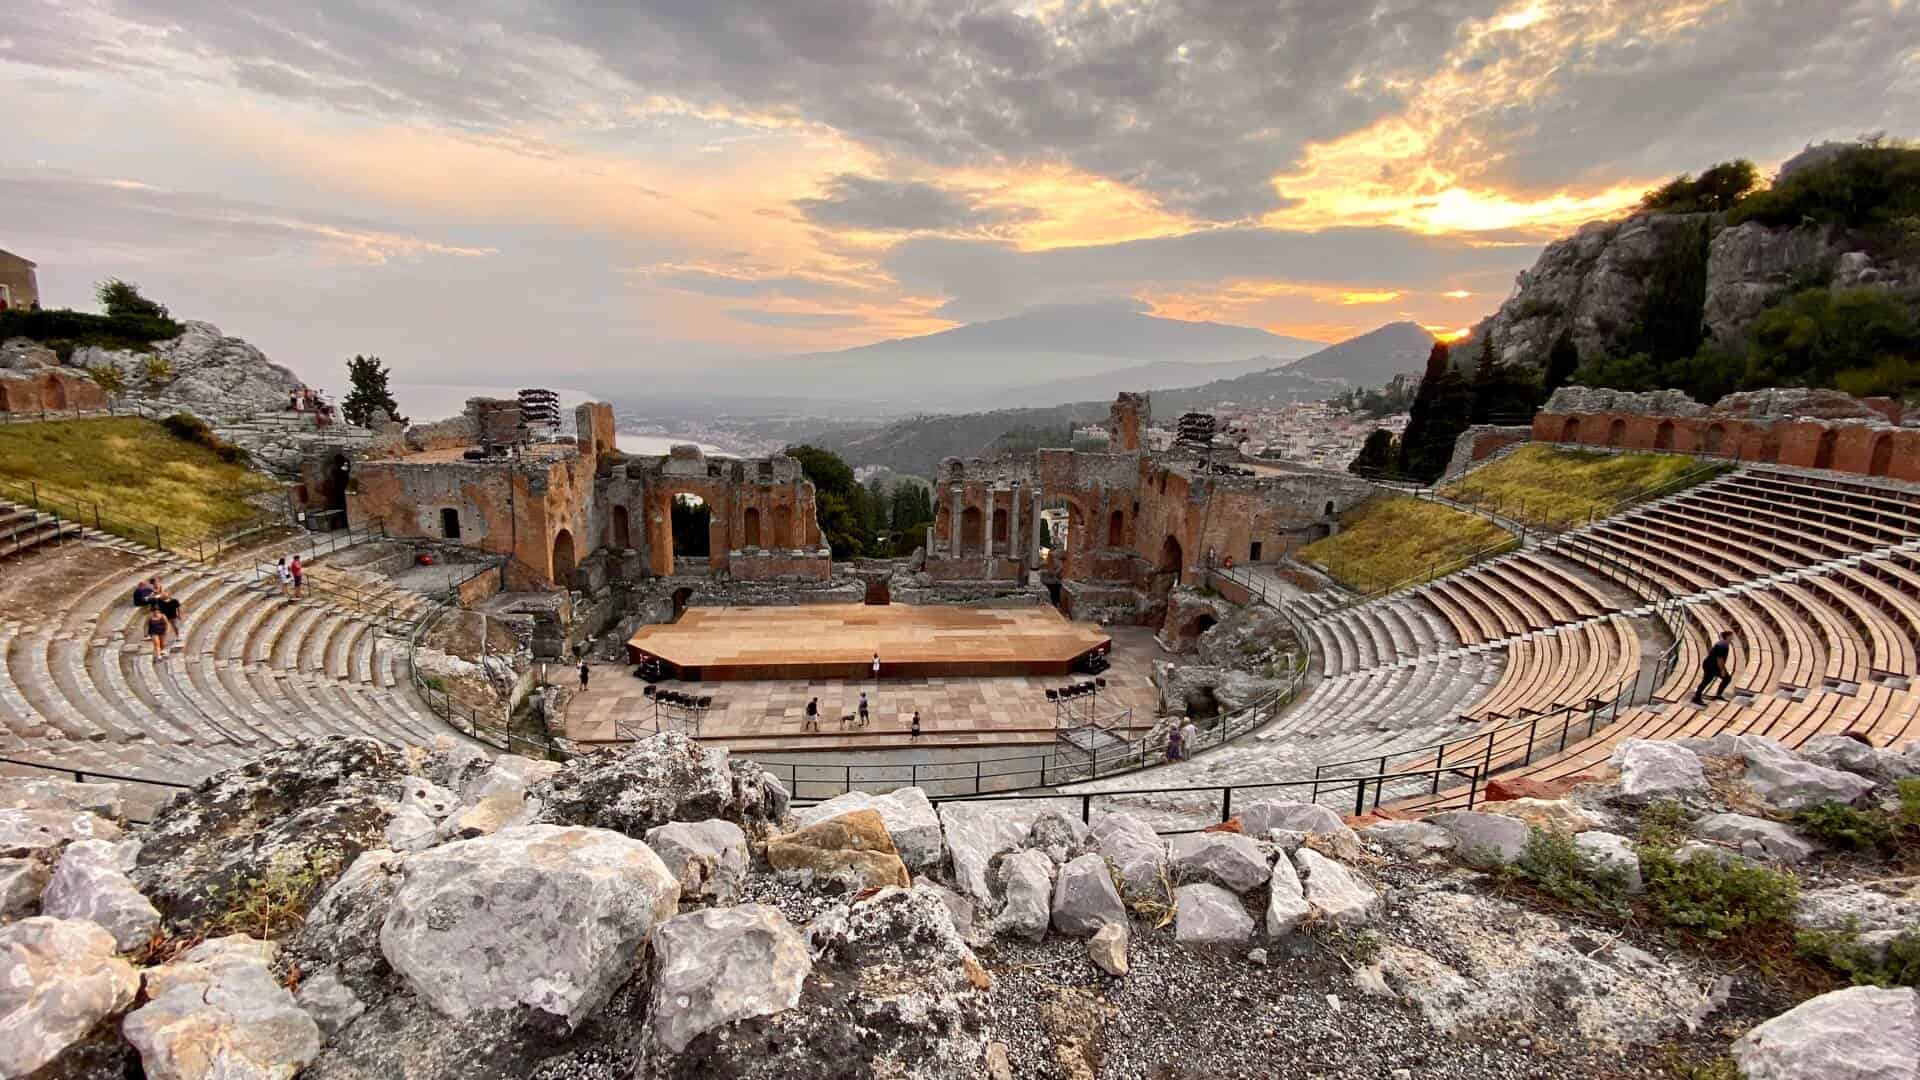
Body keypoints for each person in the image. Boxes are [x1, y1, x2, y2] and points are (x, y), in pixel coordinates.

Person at [1692, 631, 1735, 705]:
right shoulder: (1723, 645)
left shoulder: (1724, 643)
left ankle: (1718, 695)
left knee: (1727, 678)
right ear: (1727, 636)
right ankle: (1696, 698)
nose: (1733, 637)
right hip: (1711, 666)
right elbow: (1719, 659)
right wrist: (1722, 670)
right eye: (1731, 636)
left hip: (1712, 665)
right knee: (1706, 681)